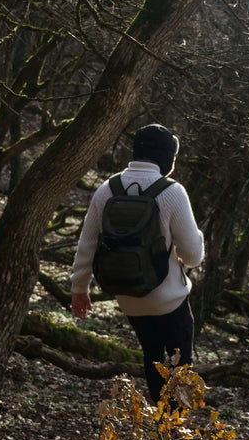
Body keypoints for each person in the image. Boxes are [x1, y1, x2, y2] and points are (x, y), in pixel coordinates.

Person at [71, 124, 204, 409]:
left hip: (128, 298)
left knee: (153, 357)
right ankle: (174, 430)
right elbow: (193, 256)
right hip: (169, 300)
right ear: (166, 157)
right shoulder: (172, 192)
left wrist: (79, 290)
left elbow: (87, 244)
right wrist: (196, 243)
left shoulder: (107, 189)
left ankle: (161, 420)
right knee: (182, 362)